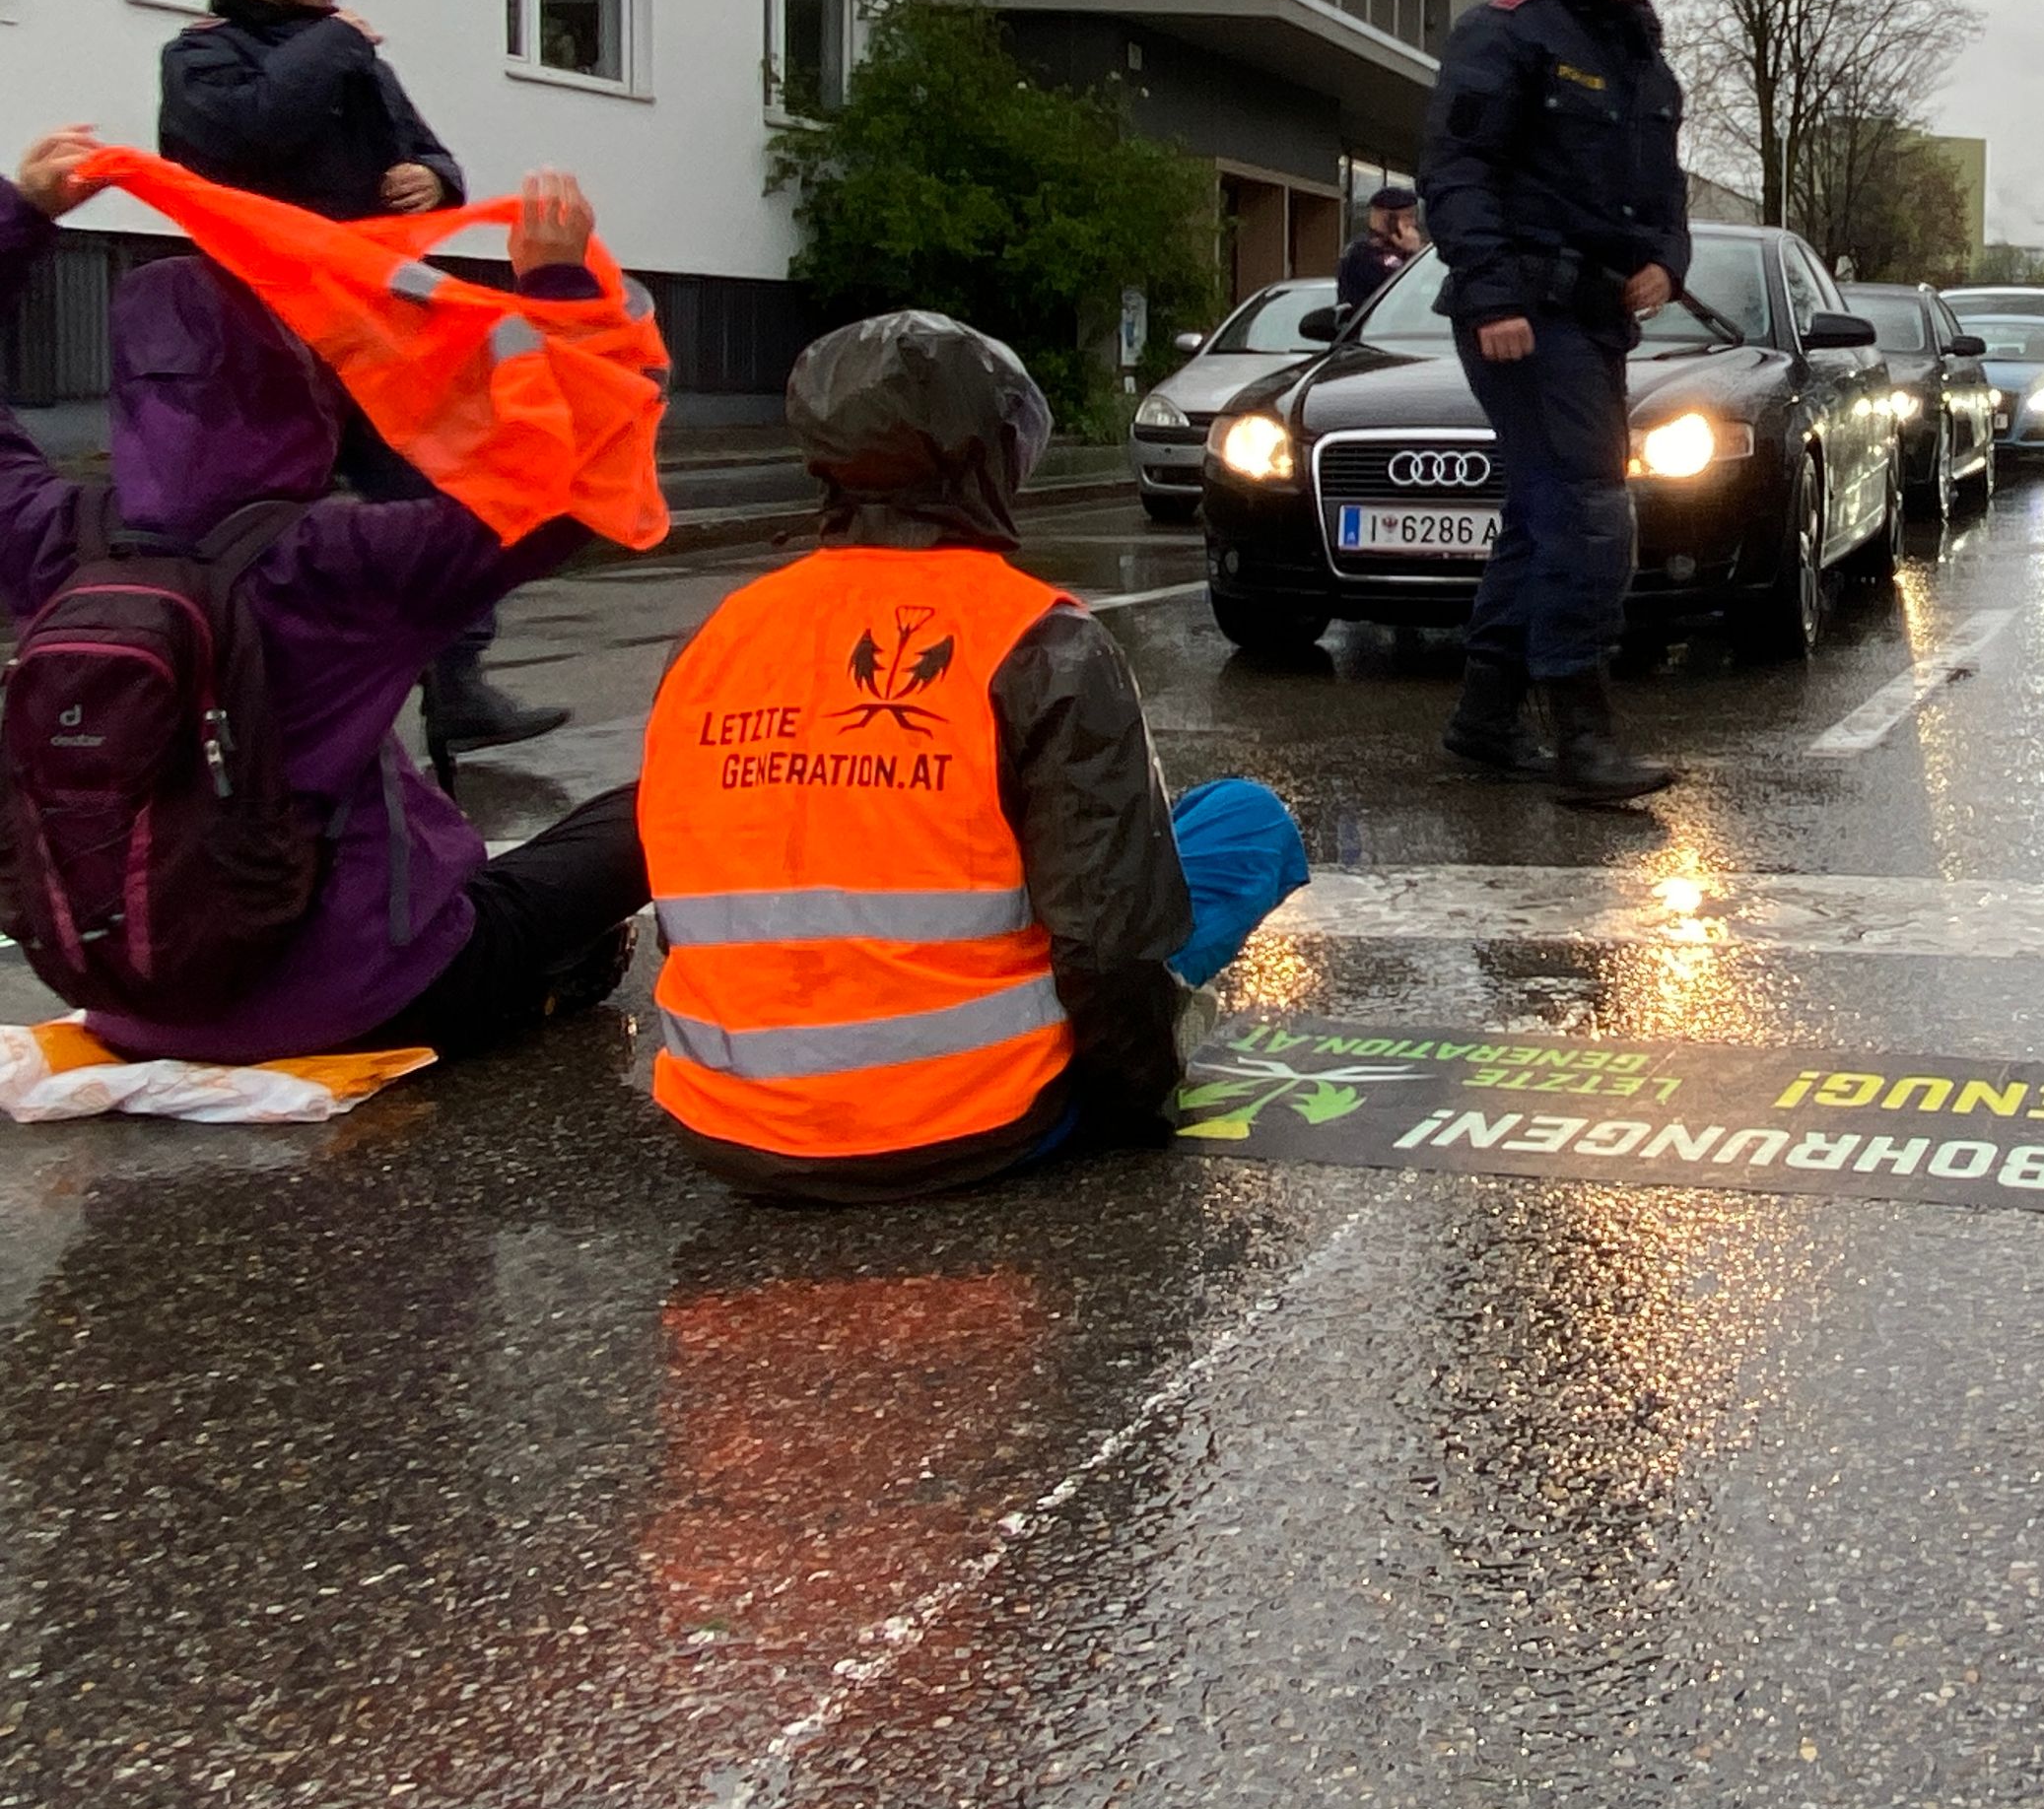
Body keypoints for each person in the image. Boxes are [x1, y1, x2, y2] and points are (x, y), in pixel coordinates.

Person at [0, 125, 647, 1063]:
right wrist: (557, 288)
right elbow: (573, 489)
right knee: (660, 805)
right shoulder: (339, 559)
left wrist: (21, 215)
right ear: (302, 377)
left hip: (128, 1002)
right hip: (361, 996)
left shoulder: (52, 537)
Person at [638, 310, 1308, 1203]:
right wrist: (1138, 1101)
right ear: (993, 458)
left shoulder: (714, 640)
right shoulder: (1038, 641)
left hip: (726, 1125)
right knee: (1243, 821)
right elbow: (1107, 945)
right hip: (969, 1119)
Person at [158, 0, 566, 755]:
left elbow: (425, 148)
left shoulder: (351, 58)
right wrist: (335, 42)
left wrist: (433, 177)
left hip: (372, 327)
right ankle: (254, 702)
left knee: (447, 492)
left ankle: (457, 685)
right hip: (261, 333)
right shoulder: (203, 57)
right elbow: (248, 133)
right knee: (261, 517)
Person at [1417, 0, 1692, 805]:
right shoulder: (1509, 30)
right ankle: (1582, 740)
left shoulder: (1644, 63)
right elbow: (1456, 169)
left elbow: (1666, 195)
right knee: (1588, 508)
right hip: (1522, 316)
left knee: (1544, 515)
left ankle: (1486, 720)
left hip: (1596, 319)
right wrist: (1494, 296)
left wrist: (1668, 262)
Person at [1335, 183, 1424, 318]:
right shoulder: (1362, 253)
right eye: (1408, 216)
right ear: (1388, 219)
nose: (1413, 224)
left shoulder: (1401, 250)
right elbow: (1399, 290)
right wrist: (1413, 255)